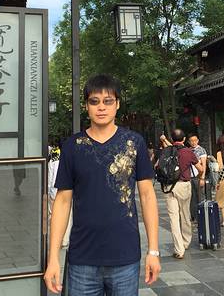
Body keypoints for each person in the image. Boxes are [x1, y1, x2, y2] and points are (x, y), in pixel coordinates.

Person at [44, 74, 161, 295]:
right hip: (82, 259)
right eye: (94, 101)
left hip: (125, 256)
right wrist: (53, 259)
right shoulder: (72, 146)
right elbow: (62, 201)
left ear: (118, 104)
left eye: (108, 101)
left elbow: (147, 196)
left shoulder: (134, 143)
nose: (101, 107)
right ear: (86, 106)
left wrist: (153, 251)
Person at [165, 129, 203, 259]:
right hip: (184, 185)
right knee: (185, 214)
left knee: (173, 218)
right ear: (184, 139)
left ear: (172, 139)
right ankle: (186, 242)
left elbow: (158, 166)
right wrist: (201, 177)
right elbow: (200, 168)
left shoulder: (167, 151)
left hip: (169, 187)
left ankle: (179, 249)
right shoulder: (188, 152)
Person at [47, 144, 71, 248]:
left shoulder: (53, 161)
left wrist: (49, 192)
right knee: (67, 217)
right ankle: (64, 240)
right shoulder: (67, 160)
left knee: (53, 216)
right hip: (66, 192)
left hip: (54, 192)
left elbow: (50, 179)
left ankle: (56, 239)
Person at [188, 134, 208, 222]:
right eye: (191, 141)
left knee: (200, 197)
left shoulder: (201, 150)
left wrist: (202, 178)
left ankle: (202, 216)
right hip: (190, 177)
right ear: (189, 142)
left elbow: (204, 165)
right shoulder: (188, 150)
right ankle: (194, 216)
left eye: (195, 140)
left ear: (198, 141)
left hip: (198, 177)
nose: (193, 142)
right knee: (192, 198)